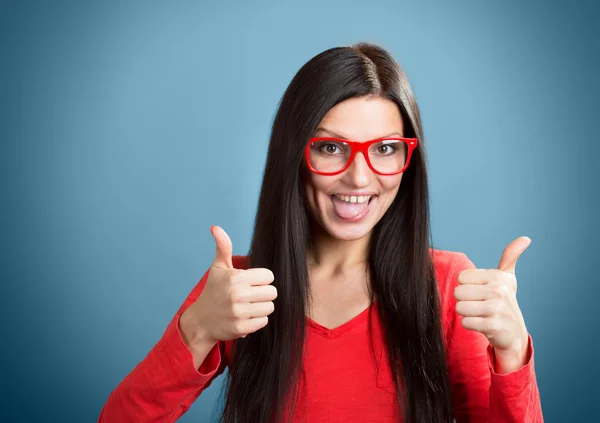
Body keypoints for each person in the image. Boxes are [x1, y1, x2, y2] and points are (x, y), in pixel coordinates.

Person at [98, 43, 543, 423]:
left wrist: (510, 351)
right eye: (331, 147)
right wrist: (196, 330)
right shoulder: (238, 289)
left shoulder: (447, 286)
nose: (359, 178)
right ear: (294, 154)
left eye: (386, 149)